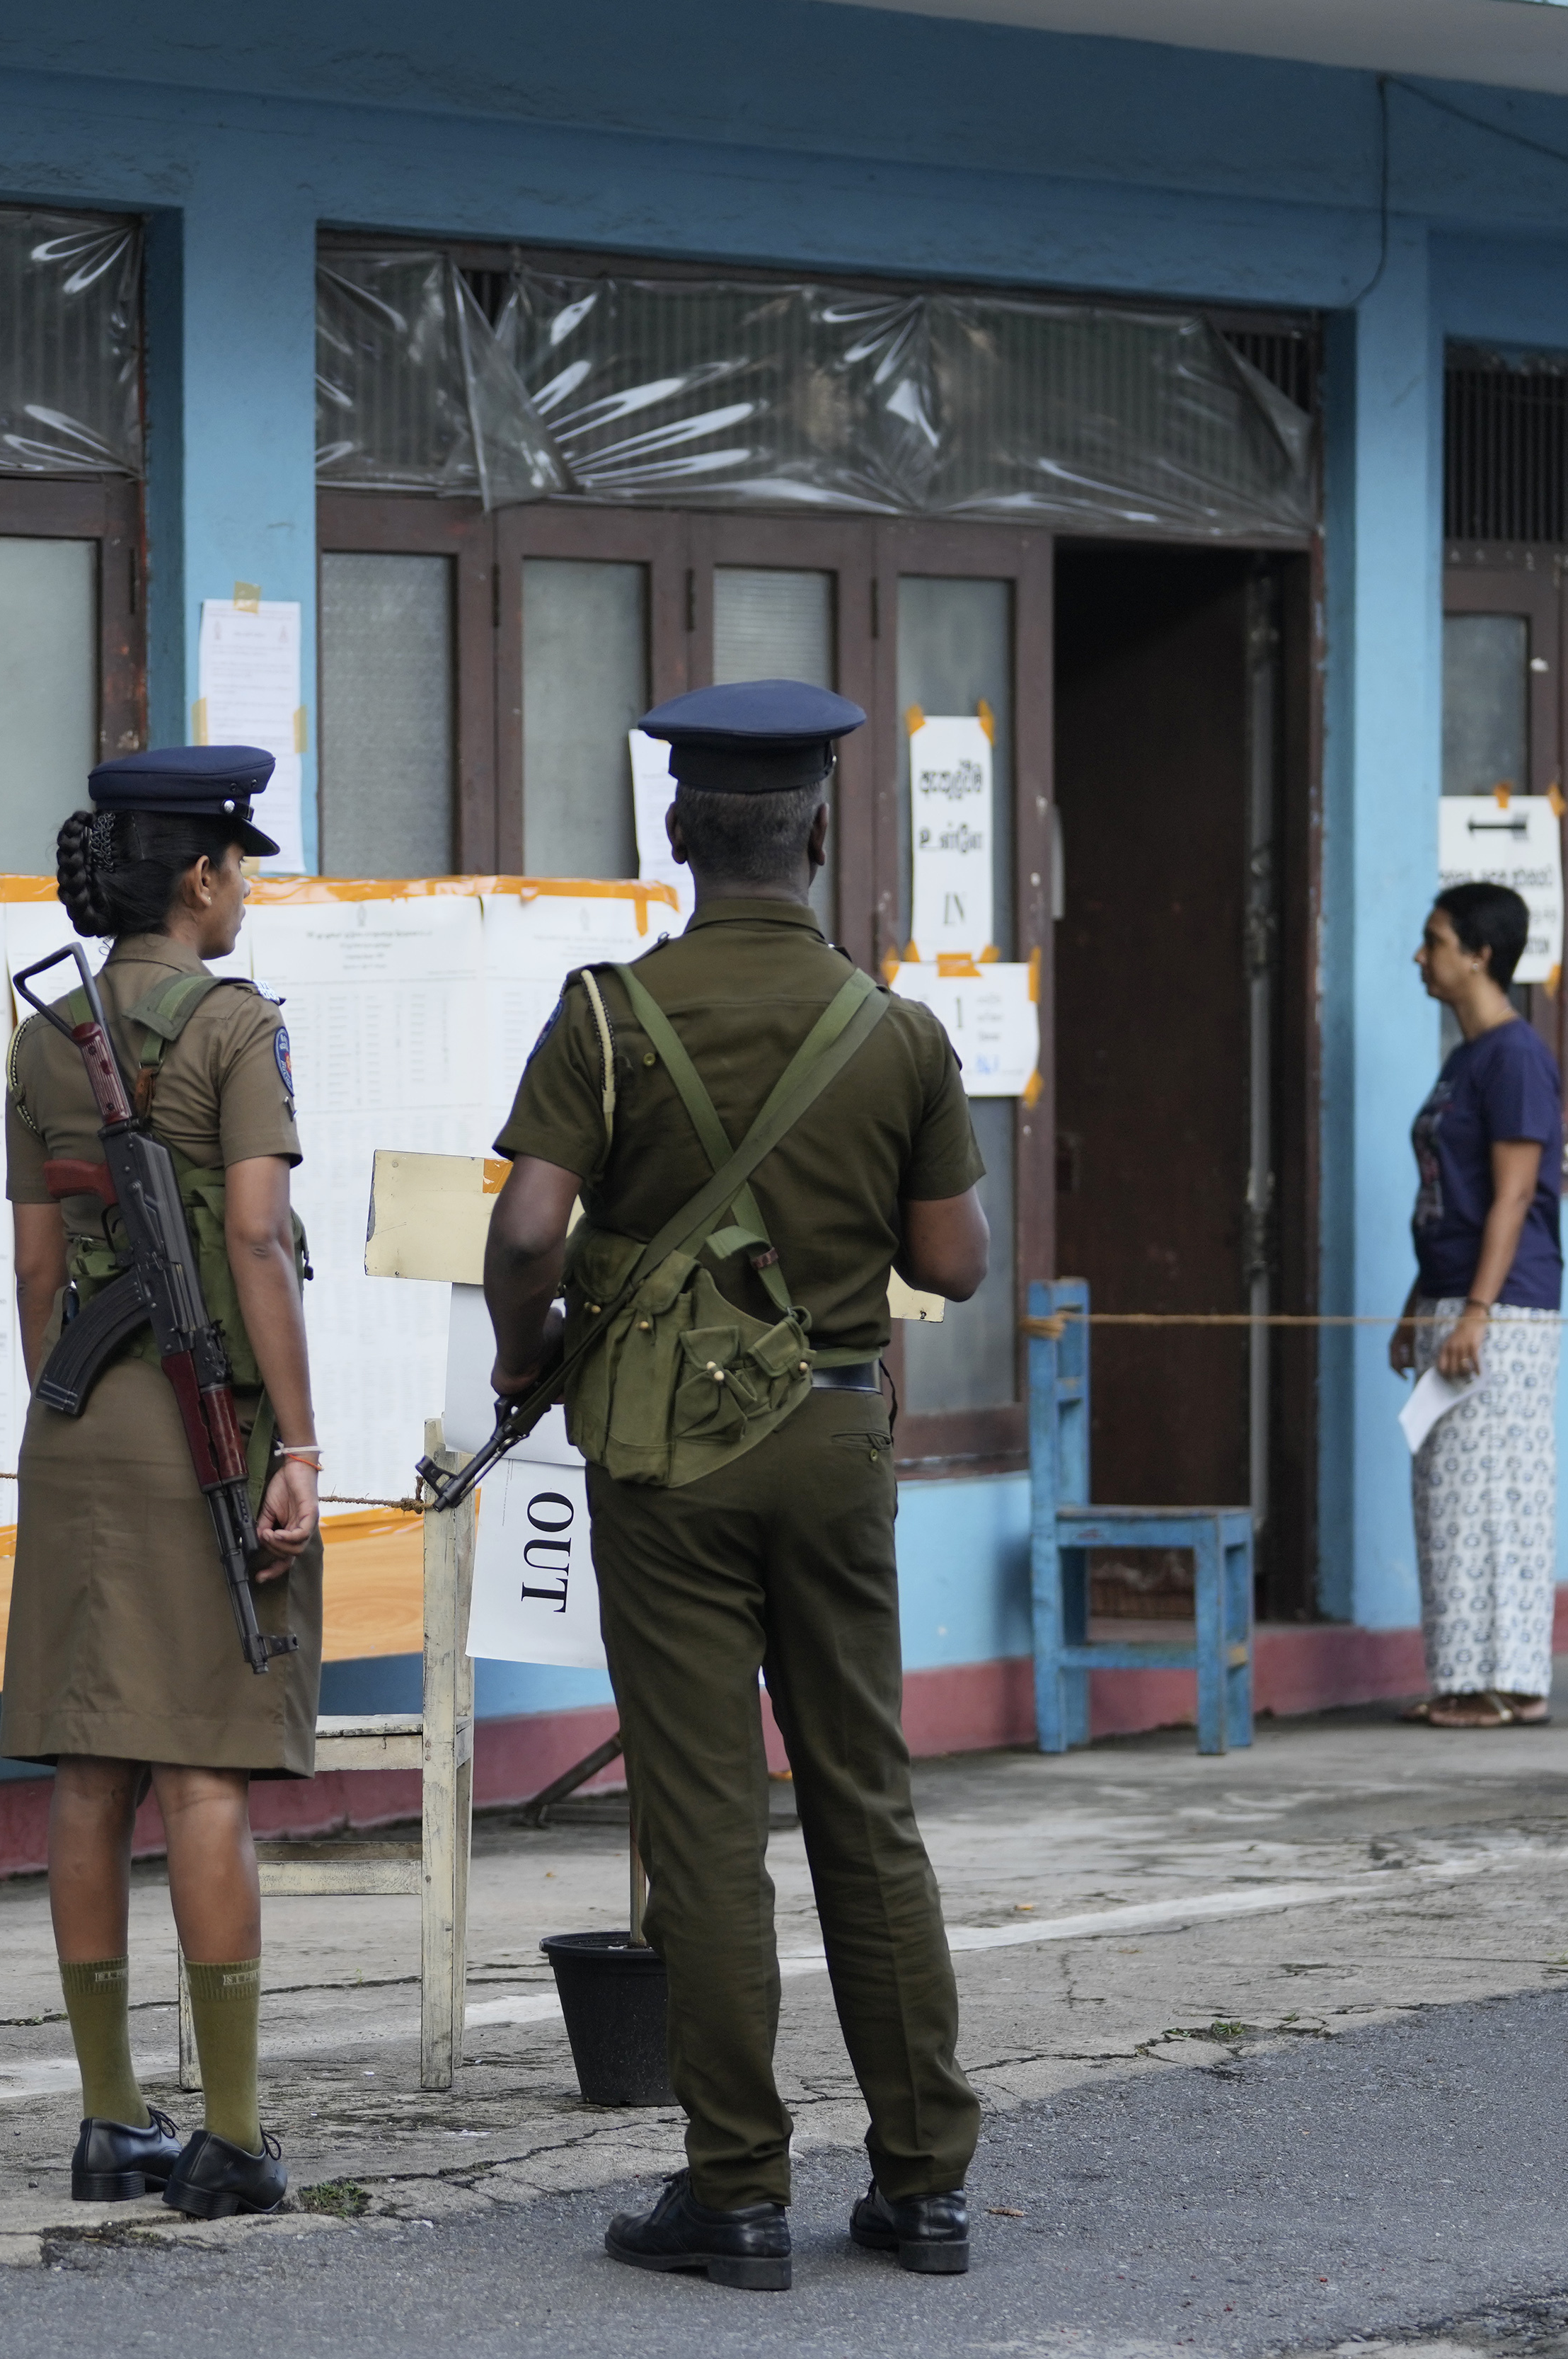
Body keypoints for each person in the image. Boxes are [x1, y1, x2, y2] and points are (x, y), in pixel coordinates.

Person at [481, 682, 991, 2292]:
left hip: (664, 1462)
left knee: (704, 1824)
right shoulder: (896, 1028)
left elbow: (520, 1231)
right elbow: (953, 1264)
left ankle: (739, 2192)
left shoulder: (606, 1016)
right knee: (869, 1806)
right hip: (839, 1444)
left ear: (681, 835)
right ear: (822, 834)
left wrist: (527, 1349)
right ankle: (920, 2187)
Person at [0, 747, 323, 2222]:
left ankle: (109, 2118)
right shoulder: (234, 1029)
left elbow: (33, 1266)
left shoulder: (48, 1031)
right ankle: (235, 2132)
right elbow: (255, 1243)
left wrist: (66, 1398)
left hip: (77, 1420)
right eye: (238, 863)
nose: (244, 887)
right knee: (200, 1766)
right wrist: (297, 1445)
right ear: (199, 877)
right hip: (206, 1423)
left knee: (88, 1771)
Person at [1387, 883, 1566, 1730]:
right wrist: (1419, 1302)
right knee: (1448, 1494)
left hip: (1502, 1308)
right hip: (1455, 1297)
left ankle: (1503, 1683)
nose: (1421, 957)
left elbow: (1512, 1193)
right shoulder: (1462, 1058)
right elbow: (1446, 1197)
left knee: (1496, 1495)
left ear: (1479, 954)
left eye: (1434, 941)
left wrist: (1476, 1312)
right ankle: (1467, 1678)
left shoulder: (1513, 1055)